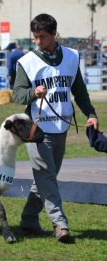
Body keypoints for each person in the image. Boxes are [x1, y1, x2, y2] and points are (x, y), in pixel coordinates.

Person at [13, 13, 99, 243]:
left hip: (61, 127)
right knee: (47, 176)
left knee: (45, 178)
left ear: (54, 34)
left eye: (42, 36)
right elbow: (17, 94)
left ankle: (29, 220)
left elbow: (79, 91)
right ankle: (60, 224)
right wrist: (33, 93)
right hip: (37, 129)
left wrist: (90, 113)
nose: (38, 41)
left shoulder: (71, 57)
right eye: (35, 37)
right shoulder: (28, 61)